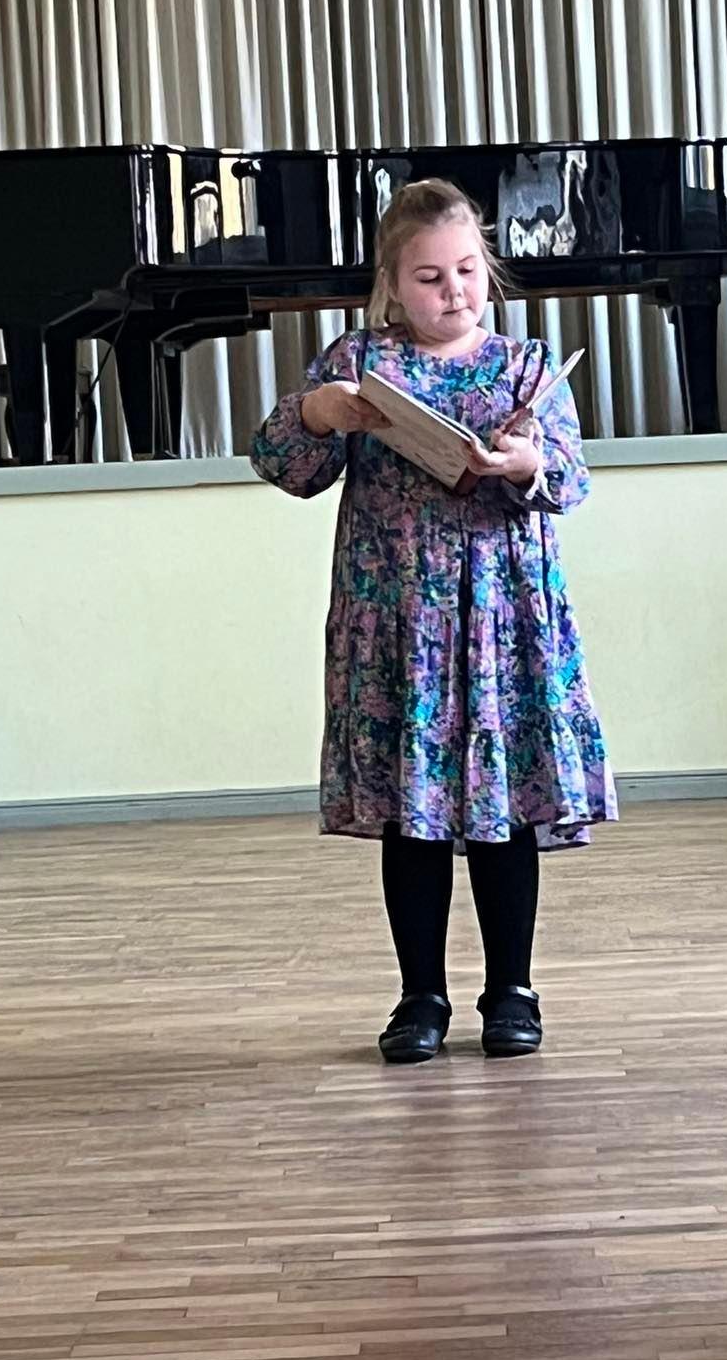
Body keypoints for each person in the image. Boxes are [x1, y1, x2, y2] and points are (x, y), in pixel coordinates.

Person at [251, 177, 615, 1063]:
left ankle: (511, 990)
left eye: (466, 271)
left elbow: (571, 480)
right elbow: (284, 464)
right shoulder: (359, 362)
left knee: (504, 807)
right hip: (398, 619)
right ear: (391, 284)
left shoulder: (527, 367)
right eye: (429, 277)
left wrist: (526, 464)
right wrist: (317, 412)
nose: (454, 291)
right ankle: (420, 996)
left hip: (503, 618)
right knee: (410, 812)